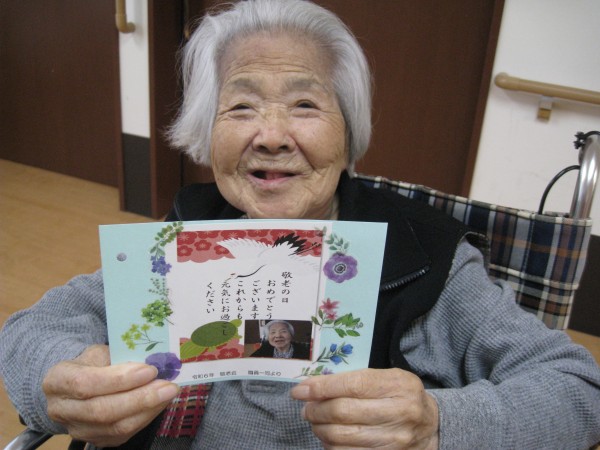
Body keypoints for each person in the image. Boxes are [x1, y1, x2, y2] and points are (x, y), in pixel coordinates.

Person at [1, 0, 599, 448]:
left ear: (348, 130)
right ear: (207, 131)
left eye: (305, 105)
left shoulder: (423, 259)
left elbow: (579, 390)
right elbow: (34, 328)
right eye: (241, 106)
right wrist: (59, 383)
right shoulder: (190, 228)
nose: (270, 136)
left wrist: (439, 424)